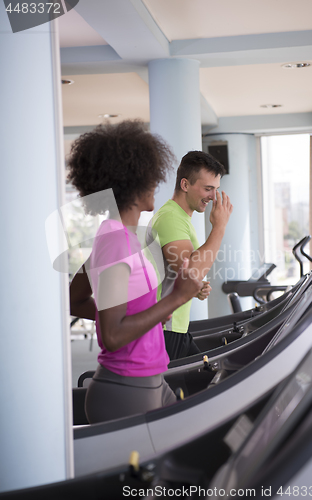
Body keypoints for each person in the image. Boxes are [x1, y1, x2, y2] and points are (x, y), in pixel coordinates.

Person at [68, 121, 201, 423]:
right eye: (151, 177)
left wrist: (151, 316)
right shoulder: (116, 242)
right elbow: (113, 335)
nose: (156, 183)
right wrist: (175, 299)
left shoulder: (118, 235)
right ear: (132, 182)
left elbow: (74, 301)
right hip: (126, 388)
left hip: (151, 380)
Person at [146, 151, 233, 360]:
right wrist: (219, 227)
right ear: (185, 185)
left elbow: (184, 275)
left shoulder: (180, 218)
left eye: (216, 189)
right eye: (208, 189)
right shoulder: (170, 219)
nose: (213, 197)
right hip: (165, 329)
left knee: (209, 381)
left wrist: (196, 288)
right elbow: (190, 274)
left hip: (177, 328)